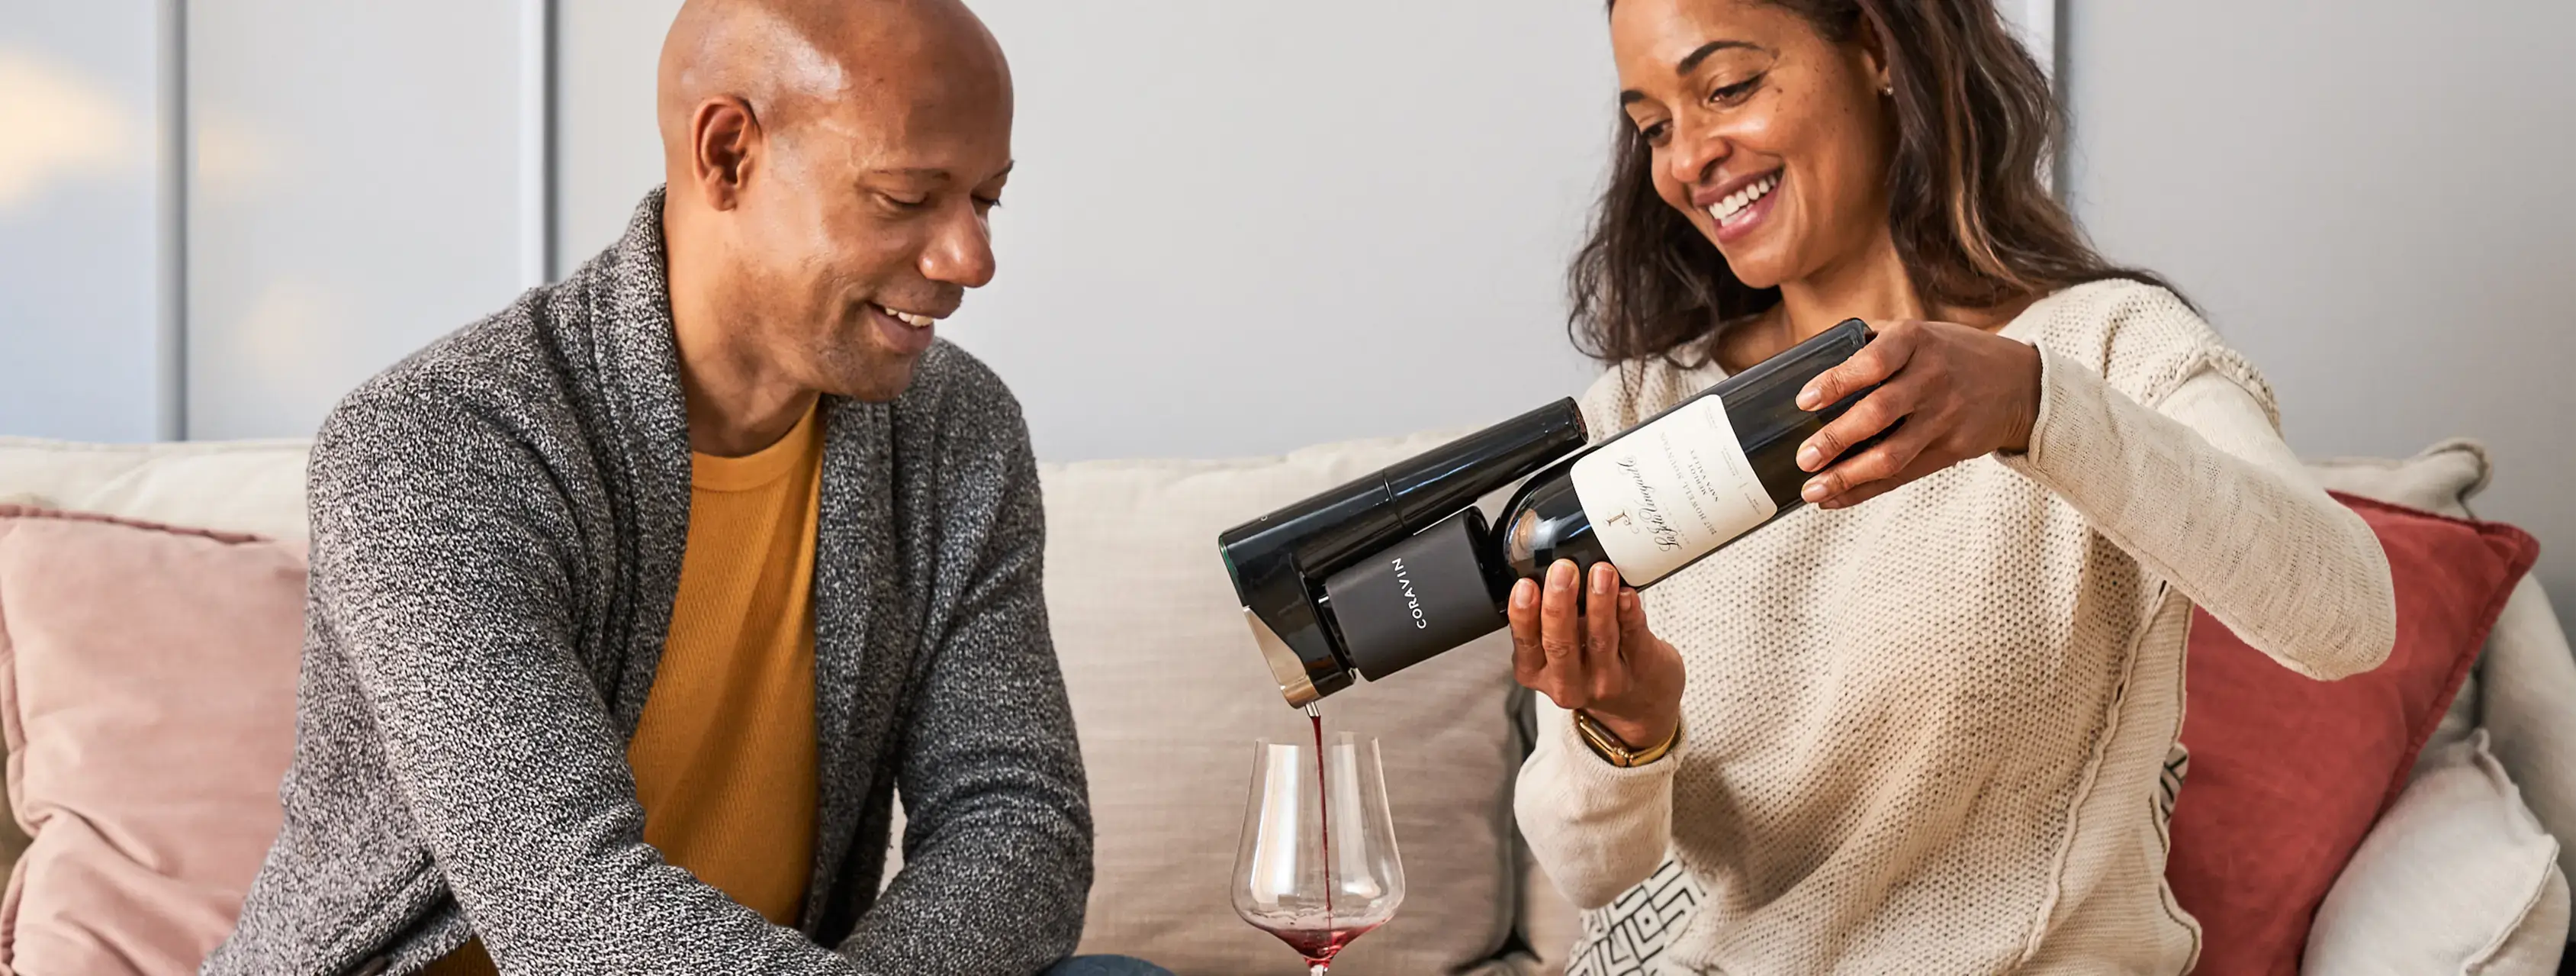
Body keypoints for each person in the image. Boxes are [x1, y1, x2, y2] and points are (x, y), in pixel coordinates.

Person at [202, 1, 1167, 973]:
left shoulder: (955, 432)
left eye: (985, 200)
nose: (971, 259)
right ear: (728, 154)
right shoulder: (435, 444)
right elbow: (568, 900)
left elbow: (1015, 819)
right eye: (906, 198)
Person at [1507, 0, 2395, 972]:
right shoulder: (1641, 418)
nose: (1686, 161)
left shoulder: (2101, 349)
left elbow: (2346, 616)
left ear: (1876, 49)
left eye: (1726, 89)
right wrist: (1624, 729)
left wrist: (2034, 410)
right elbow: (1589, 870)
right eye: (1653, 127)